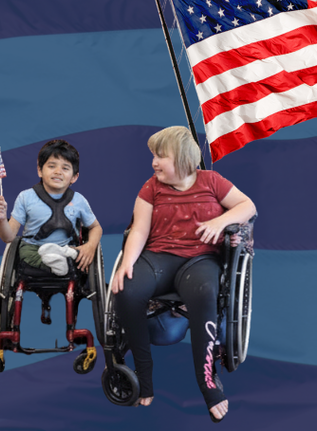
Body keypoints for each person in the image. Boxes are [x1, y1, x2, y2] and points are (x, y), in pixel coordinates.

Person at [111, 126, 256, 416]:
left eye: (160, 156)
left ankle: (208, 385)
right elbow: (139, 229)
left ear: (182, 158)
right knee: (126, 290)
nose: (154, 162)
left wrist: (220, 221)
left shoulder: (212, 181)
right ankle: (144, 377)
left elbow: (248, 205)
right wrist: (127, 262)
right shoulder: (151, 187)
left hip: (200, 260)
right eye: (153, 155)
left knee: (205, 296)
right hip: (158, 257)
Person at [0, 139, 102, 274]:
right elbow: (8, 237)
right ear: (39, 170)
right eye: (51, 166)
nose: (58, 172)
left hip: (64, 248)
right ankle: (57, 261)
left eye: (65, 168)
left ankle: (59, 257)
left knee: (74, 254)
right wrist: (1, 219)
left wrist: (90, 246)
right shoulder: (26, 197)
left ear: (74, 177)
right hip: (34, 249)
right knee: (28, 253)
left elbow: (96, 227)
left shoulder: (79, 200)